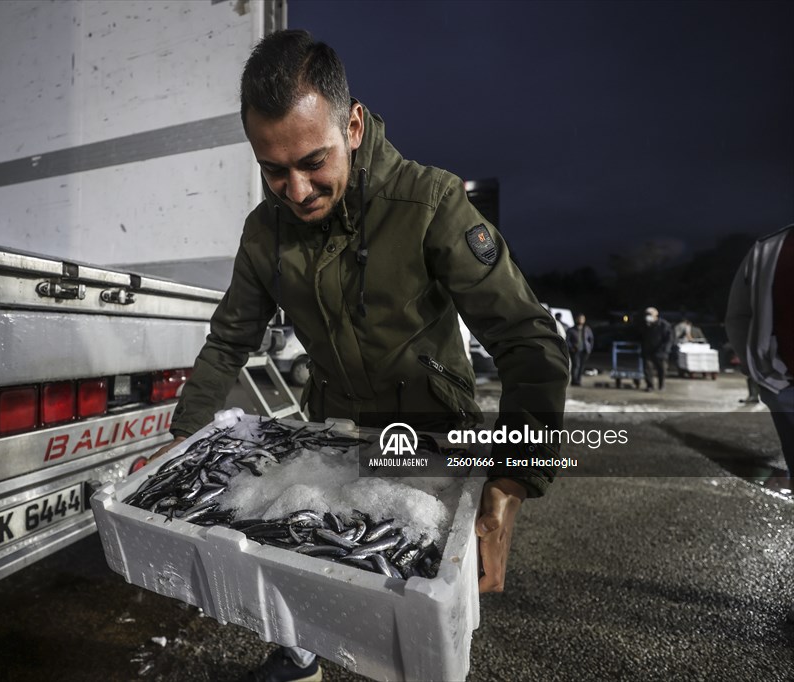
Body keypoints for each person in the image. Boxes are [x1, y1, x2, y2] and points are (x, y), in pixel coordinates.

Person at [151, 30, 569, 681]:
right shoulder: (265, 232)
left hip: (431, 438)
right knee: (297, 559)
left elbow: (530, 344)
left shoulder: (429, 204)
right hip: (333, 435)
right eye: (273, 168)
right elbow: (230, 339)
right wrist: (177, 443)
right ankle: (298, 662)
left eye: (312, 161)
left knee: (409, 615)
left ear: (351, 125)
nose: (294, 189)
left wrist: (511, 483)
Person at [725, 224, 793, 484]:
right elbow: (738, 318)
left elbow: (737, 318)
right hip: (784, 386)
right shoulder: (767, 249)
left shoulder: (768, 249)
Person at [640, 307, 673, 391]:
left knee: (662, 370)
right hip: (648, 351)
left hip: (661, 351)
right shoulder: (644, 325)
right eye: (646, 314)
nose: (647, 316)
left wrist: (665, 350)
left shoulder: (664, 325)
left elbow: (669, 339)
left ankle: (661, 385)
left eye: (650, 314)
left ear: (656, 315)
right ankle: (650, 386)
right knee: (648, 369)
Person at [566, 314, 595, 386]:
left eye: (582, 319)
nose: (581, 320)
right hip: (575, 350)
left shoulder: (587, 329)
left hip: (585, 351)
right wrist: (571, 347)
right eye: (579, 319)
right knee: (576, 365)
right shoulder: (571, 330)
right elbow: (567, 340)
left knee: (582, 366)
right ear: (576, 320)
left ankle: (578, 380)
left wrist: (590, 348)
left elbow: (591, 339)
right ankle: (574, 380)